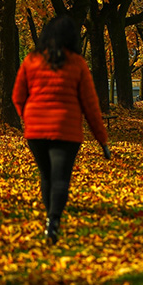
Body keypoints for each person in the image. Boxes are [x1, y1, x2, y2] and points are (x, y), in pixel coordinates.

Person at [12, 15, 110, 245]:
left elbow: (18, 96)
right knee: (60, 179)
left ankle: (50, 219)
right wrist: (102, 140)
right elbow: (90, 106)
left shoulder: (31, 61)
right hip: (66, 131)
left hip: (36, 132)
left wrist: (27, 118)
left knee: (46, 177)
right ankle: (53, 221)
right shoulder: (77, 64)